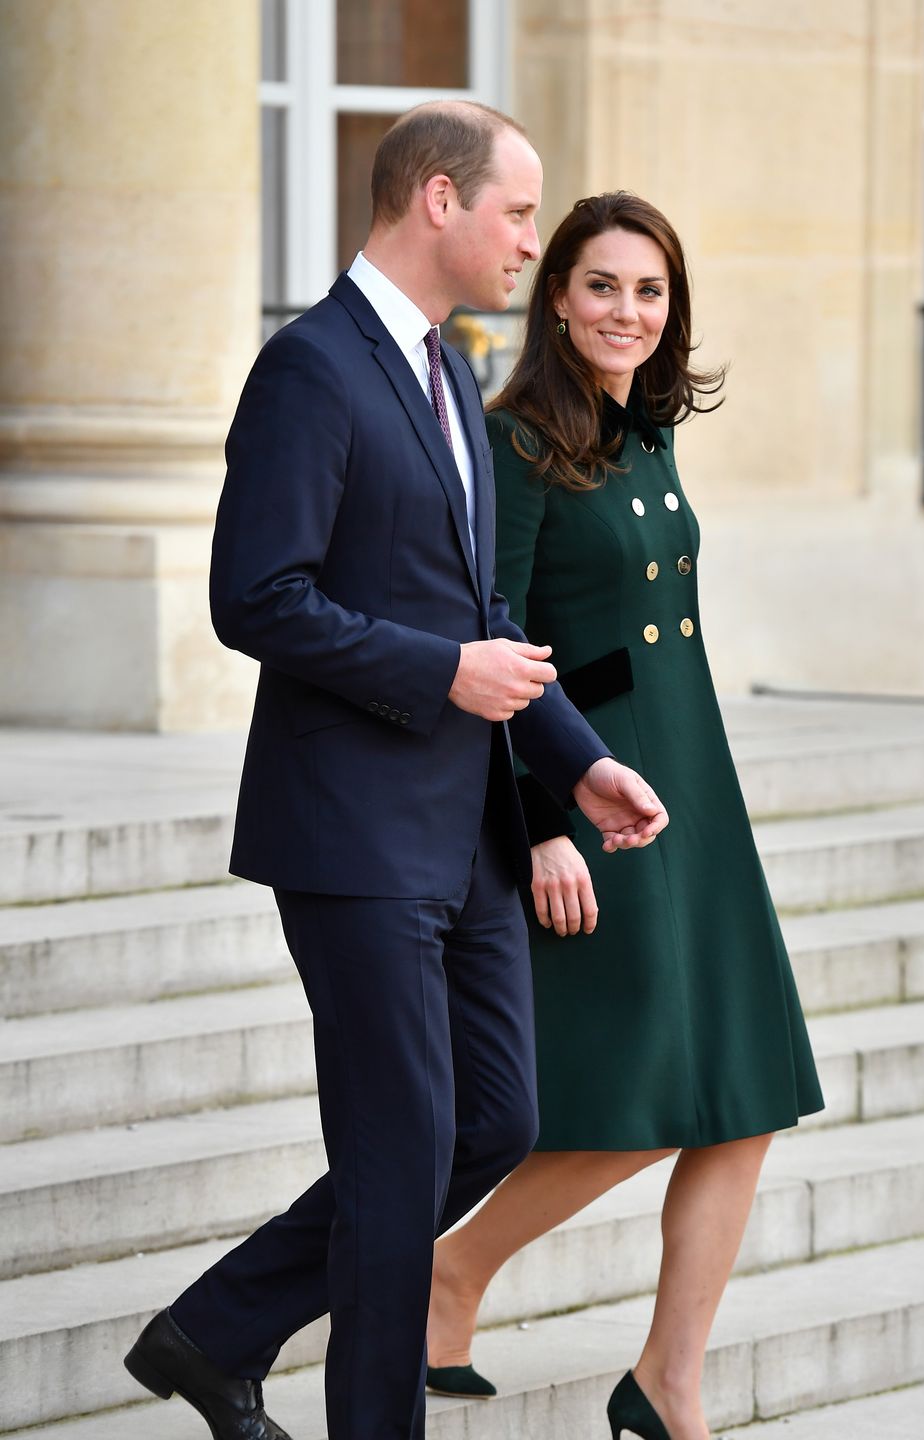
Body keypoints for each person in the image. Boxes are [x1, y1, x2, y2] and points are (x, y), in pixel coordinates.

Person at [122, 109, 669, 1440]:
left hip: (469, 834)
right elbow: (256, 598)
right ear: (438, 199)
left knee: (493, 1119)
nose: (533, 243)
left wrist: (578, 763)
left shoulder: (449, 376)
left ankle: (218, 1329)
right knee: (395, 1161)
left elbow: (484, 617)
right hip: (351, 834)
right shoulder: (311, 369)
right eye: (520, 214)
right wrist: (439, 672)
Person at [424, 192, 825, 1440]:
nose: (627, 312)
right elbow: (495, 639)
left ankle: (668, 1383)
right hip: (597, 793)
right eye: (602, 285)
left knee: (748, 1093)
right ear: (555, 296)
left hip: (691, 786)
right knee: (650, 1094)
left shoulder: (643, 436)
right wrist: (541, 815)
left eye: (649, 292)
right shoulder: (516, 443)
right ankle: (451, 1271)